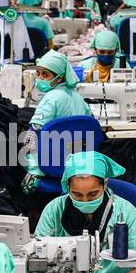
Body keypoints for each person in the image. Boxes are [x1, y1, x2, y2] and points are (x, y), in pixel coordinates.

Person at [34, 152, 136, 273]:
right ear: (67, 186)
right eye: (76, 194)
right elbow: (32, 265)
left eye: (93, 194)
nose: (85, 201)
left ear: (105, 184)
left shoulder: (125, 212)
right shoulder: (54, 210)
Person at [22, 51, 92, 184]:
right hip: (76, 165)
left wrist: (26, 158)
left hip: (49, 164)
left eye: (45, 75)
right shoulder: (78, 97)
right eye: (38, 73)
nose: (40, 78)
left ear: (59, 78)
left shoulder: (51, 98)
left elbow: (34, 131)